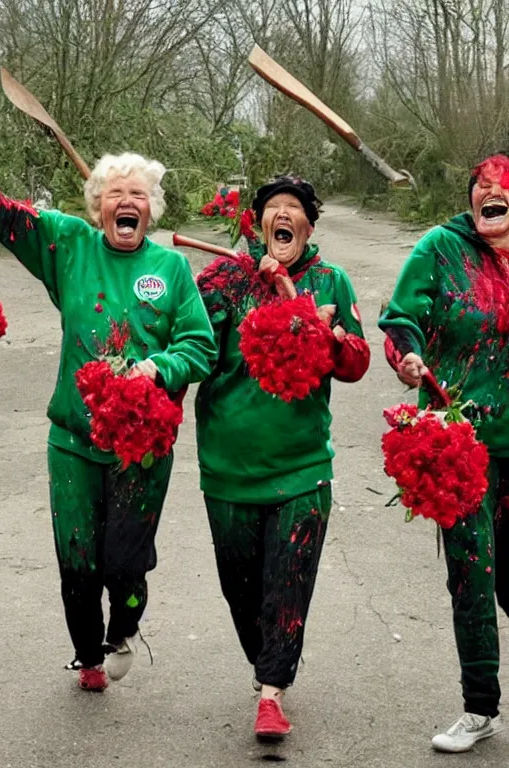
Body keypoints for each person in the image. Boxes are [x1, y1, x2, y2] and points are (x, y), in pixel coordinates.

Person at [0, 94, 217, 691]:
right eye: (115, 195)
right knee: (77, 559)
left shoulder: (171, 270)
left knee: (124, 562)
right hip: (73, 436)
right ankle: (89, 657)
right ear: (98, 206)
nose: (128, 203)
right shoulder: (68, 246)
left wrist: (158, 368)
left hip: (141, 445)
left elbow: (200, 347)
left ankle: (124, 629)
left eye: (139, 195)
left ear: (151, 210)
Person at [194, 176, 369, 740]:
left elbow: (356, 364)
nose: (284, 216)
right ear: (256, 224)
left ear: (310, 228)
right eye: (274, 209)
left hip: (302, 469)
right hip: (228, 470)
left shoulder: (329, 282)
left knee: (288, 582)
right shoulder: (223, 280)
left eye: (295, 210)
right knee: (242, 591)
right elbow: (191, 350)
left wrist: (318, 321)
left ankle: (272, 693)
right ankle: (265, 662)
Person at [380, 153, 509, 753]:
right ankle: (480, 707)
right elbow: (402, 317)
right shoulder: (440, 248)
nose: (492, 193)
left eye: (502, 189)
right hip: (463, 444)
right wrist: (407, 355)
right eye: (481, 187)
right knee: (473, 578)